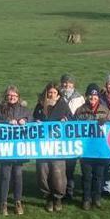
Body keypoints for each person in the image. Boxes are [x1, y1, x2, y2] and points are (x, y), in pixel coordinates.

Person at [0, 85, 32, 216]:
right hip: (4, 148)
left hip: (19, 149)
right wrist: (7, 122)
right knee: (5, 176)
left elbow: (31, 119)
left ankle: (17, 202)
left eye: (14, 95)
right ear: (5, 96)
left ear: (18, 97)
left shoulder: (24, 109)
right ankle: (3, 203)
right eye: (9, 95)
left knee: (18, 176)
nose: (12, 97)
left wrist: (25, 120)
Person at [33, 82, 72, 212]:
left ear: (58, 94)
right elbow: (32, 120)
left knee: (58, 172)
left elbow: (72, 121)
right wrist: (36, 122)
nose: (52, 94)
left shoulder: (63, 105)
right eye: (50, 92)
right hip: (42, 145)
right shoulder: (40, 105)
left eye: (55, 92)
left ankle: (58, 197)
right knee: (42, 171)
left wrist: (66, 121)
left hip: (58, 146)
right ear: (46, 93)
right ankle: (48, 196)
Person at [74, 83, 110, 210]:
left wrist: (106, 122)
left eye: (95, 96)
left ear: (98, 97)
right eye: (90, 95)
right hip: (86, 149)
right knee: (86, 176)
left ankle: (96, 198)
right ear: (87, 96)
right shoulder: (80, 110)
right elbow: (73, 127)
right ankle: (86, 199)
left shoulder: (105, 110)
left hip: (101, 150)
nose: (93, 98)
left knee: (99, 175)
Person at [59, 73, 83, 200]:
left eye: (69, 83)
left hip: (73, 136)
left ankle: (69, 191)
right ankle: (60, 190)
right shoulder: (57, 96)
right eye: (64, 82)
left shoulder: (79, 99)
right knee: (60, 166)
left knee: (70, 166)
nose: (66, 85)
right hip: (59, 136)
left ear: (73, 84)